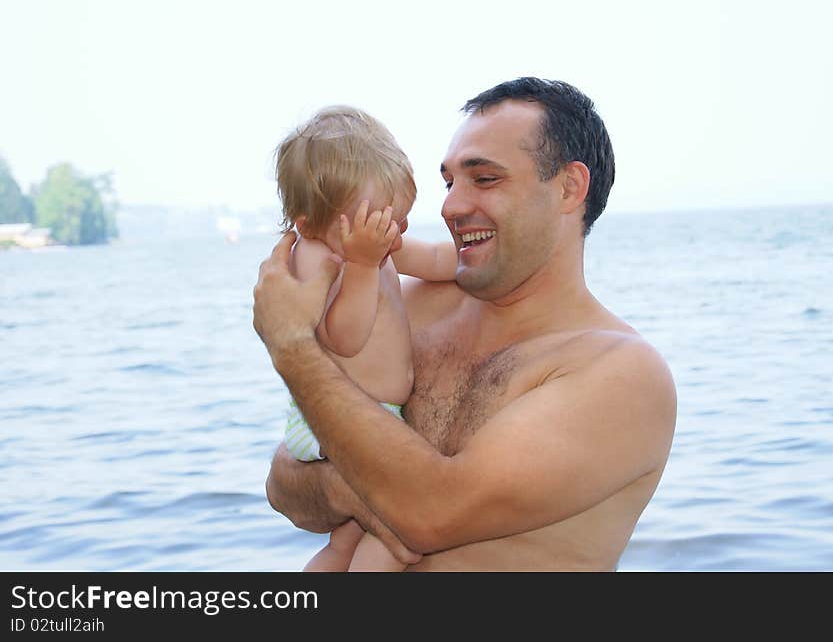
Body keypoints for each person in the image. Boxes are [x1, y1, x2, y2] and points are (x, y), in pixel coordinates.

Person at [254, 78, 677, 571]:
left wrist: (292, 347)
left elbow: (431, 515)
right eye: (450, 181)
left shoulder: (620, 374)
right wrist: (343, 488)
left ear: (569, 187)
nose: (451, 205)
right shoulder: (403, 309)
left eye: (485, 179)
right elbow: (284, 486)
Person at [273, 105, 457, 571]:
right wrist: (361, 267)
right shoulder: (319, 257)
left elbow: (437, 259)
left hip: (373, 416)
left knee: (345, 543)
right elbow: (343, 337)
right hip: (340, 420)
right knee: (395, 533)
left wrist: (476, 250)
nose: (393, 233)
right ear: (309, 223)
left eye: (397, 218)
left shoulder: (368, 244)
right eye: (378, 221)